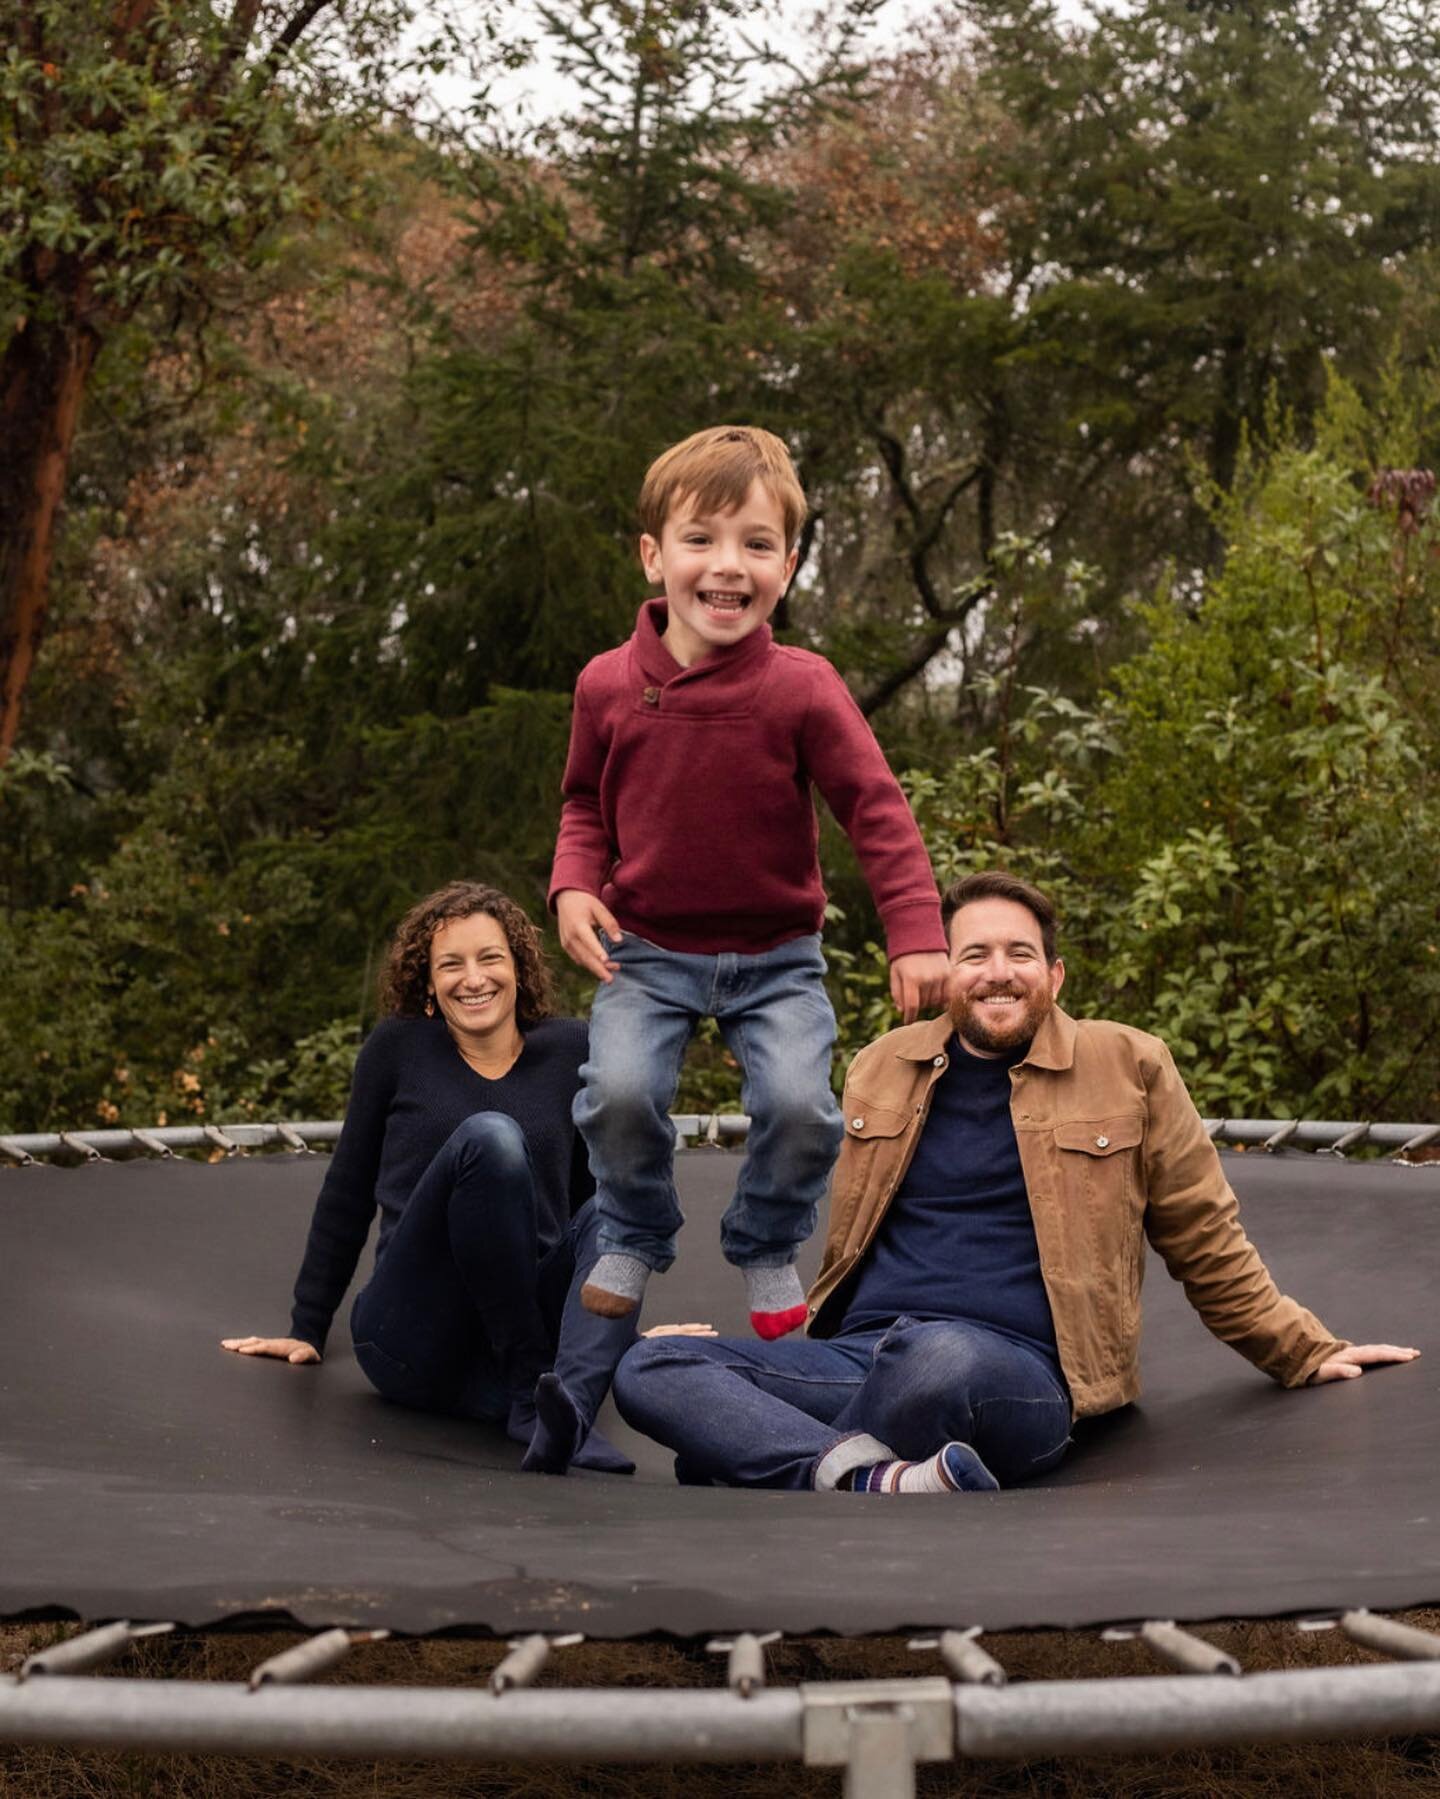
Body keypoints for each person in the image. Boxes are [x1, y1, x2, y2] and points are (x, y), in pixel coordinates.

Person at [613, 870, 1420, 1493]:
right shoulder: (882, 1066)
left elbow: (1205, 1239)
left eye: (1019, 954)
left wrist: (1302, 1349)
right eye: (975, 955)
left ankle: (756, 1453)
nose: (998, 973)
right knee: (653, 1366)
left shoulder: (1128, 1063)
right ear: (947, 972)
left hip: (1017, 1376)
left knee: (937, 1356)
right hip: (864, 1356)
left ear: (1055, 974)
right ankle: (870, 1477)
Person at [549, 424, 950, 1351]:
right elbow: (582, 803)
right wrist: (573, 887)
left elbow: (877, 810)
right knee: (615, 1092)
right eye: (702, 539)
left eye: (756, 544)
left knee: (804, 1110)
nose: (728, 566)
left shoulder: (801, 688)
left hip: (775, 957)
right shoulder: (607, 686)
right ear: (654, 555)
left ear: (790, 565)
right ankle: (635, 1232)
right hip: (645, 950)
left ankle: (767, 1240)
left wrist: (917, 932)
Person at [221, 881, 635, 1475]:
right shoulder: (399, 1049)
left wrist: (615, 1319)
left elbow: (586, 1202)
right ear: (428, 982)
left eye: (490, 957)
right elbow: (348, 1187)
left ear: (519, 967)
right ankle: (529, 1392)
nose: (474, 978)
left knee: (616, 1207)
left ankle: (560, 1405)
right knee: (489, 1138)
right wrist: (306, 1326)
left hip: (525, 1320)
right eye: (451, 965)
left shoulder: (572, 1049)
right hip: (415, 1331)